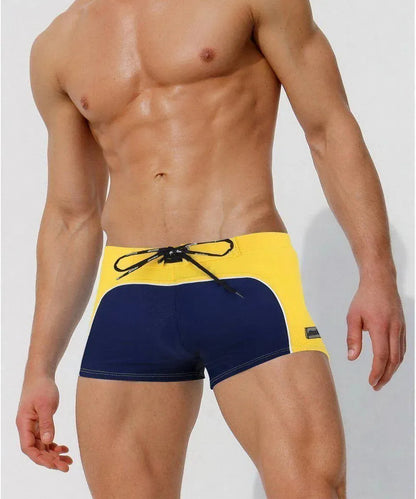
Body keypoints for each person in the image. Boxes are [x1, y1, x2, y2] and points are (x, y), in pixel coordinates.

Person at [16, 0, 406, 497]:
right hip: (130, 297)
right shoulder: (58, 45)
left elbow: (329, 128)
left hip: (249, 282)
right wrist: (39, 368)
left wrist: (377, 272)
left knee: (312, 489)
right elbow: (71, 216)